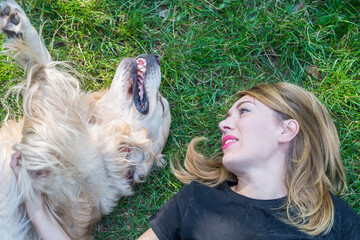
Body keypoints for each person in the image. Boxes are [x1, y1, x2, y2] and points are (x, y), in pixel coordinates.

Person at [11, 82, 360, 239]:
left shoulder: (336, 221)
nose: (224, 123)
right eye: (227, 115)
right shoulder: (197, 202)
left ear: (287, 130)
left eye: (244, 110)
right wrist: (37, 208)